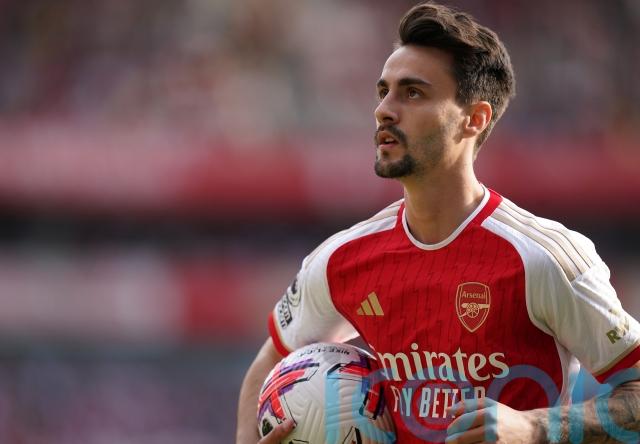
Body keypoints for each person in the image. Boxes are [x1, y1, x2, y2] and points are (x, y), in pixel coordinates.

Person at [236, 2, 640, 443]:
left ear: (474, 119)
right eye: (383, 91)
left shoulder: (544, 258)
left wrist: (535, 427)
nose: (384, 110)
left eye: (413, 93)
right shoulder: (341, 259)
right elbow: (271, 361)